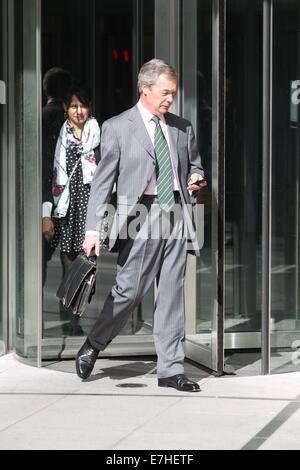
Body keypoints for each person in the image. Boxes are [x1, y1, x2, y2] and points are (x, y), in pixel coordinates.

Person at [76, 59, 207, 391]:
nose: (170, 100)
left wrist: (196, 177)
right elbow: (102, 184)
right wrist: (93, 230)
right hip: (141, 215)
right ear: (145, 90)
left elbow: (194, 164)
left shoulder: (182, 127)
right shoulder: (118, 127)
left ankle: (171, 370)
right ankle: (95, 342)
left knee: (172, 294)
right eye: (165, 93)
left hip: (176, 211)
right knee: (130, 291)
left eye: (173, 94)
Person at [51, 87, 101, 334]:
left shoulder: (97, 134)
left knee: (89, 266)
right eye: (73, 106)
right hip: (68, 210)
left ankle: (78, 315)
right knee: (69, 267)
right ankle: (71, 321)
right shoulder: (60, 136)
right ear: (65, 108)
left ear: (89, 108)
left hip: (90, 208)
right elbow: (51, 175)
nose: (78, 111)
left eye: (83, 106)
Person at [42, 67, 72, 285]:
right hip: (70, 198)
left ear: (46, 89)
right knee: (70, 259)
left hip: (44, 195)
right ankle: (72, 315)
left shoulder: (38, 118)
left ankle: (34, 312)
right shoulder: (74, 120)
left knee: (38, 258)